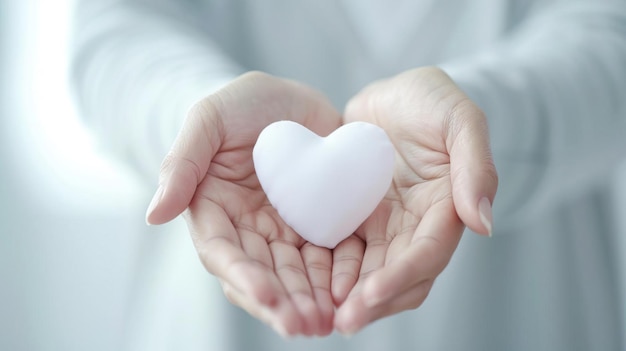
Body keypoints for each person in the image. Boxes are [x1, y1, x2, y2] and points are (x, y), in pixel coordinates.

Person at [71, 0, 626, 350]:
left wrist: (473, 124)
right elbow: (114, 31)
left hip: (526, 306)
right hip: (221, 303)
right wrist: (197, 120)